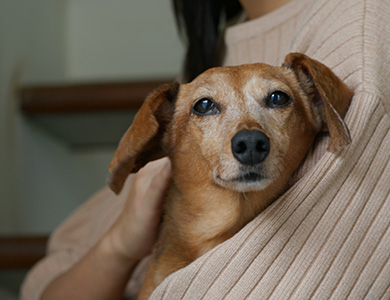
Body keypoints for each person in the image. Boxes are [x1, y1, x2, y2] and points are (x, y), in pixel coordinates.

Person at [22, 0, 390, 299]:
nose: (248, 138)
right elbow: (46, 283)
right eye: (206, 106)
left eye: (276, 99)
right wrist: (119, 244)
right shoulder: (207, 59)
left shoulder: (358, 23)